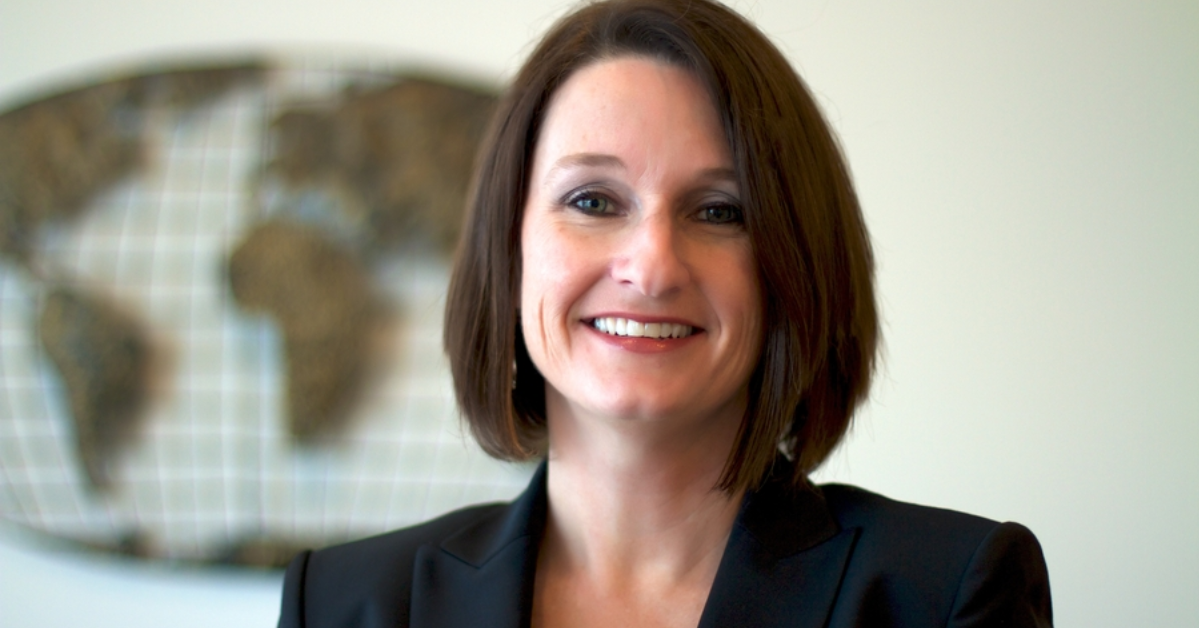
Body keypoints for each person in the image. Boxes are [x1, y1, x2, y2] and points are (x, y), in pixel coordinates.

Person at [277, 0, 1053, 626]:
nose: (650, 266)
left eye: (719, 211)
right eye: (591, 200)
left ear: (794, 267)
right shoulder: (347, 604)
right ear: (506, 252)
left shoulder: (943, 594)